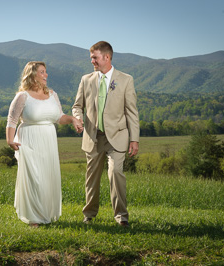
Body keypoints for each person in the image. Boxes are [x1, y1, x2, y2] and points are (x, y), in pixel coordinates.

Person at [6, 61, 83, 227]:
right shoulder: (22, 96)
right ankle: (33, 217)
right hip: (29, 139)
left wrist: (72, 119)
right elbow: (12, 119)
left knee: (47, 177)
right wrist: (10, 140)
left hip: (48, 139)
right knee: (34, 177)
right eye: (42, 72)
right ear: (32, 75)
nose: (46, 75)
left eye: (46, 72)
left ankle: (45, 213)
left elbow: (59, 117)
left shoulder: (52, 95)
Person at [72, 41, 139, 227]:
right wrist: (77, 118)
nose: (92, 61)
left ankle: (121, 217)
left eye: (94, 57)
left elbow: (131, 112)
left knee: (115, 172)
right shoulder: (86, 79)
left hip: (117, 136)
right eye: (91, 58)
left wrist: (134, 139)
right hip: (93, 137)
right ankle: (89, 215)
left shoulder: (125, 80)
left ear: (107, 57)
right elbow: (77, 106)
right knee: (91, 177)